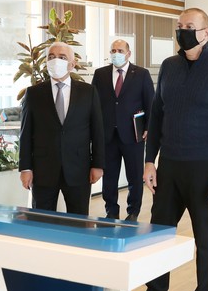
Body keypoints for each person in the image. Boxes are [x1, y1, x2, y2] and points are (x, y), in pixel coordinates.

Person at [129, 7, 208, 291]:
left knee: (204, 238)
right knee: (158, 234)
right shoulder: (169, 66)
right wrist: (150, 161)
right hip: (169, 166)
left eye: (190, 26)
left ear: (206, 32)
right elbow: (156, 117)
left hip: (205, 170)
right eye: (179, 26)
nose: (183, 31)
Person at [19, 42, 104, 215]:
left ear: (72, 64)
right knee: (42, 220)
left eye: (62, 57)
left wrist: (98, 164)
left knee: (79, 220)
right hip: (43, 169)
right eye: (51, 57)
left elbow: (97, 132)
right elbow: (25, 134)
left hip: (78, 169)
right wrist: (25, 168)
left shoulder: (88, 92)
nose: (55, 60)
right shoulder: (33, 93)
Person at [91, 39, 155, 221]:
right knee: (109, 177)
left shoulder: (141, 74)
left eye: (120, 50)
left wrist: (148, 127)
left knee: (134, 176)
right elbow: (94, 104)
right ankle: (111, 210)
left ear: (128, 53)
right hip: (107, 135)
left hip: (133, 134)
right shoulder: (100, 74)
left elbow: (151, 103)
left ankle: (133, 211)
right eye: (113, 50)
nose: (116, 54)